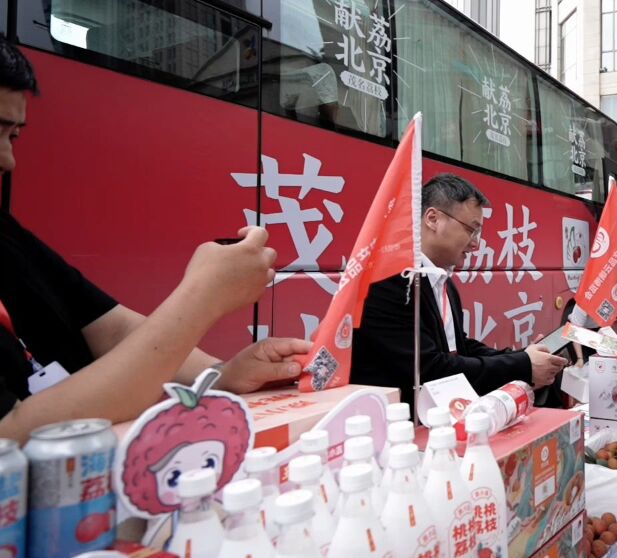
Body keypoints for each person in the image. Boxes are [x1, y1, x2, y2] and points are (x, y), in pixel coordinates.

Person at [0, 42, 310, 442]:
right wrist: (202, 298)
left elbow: (110, 329)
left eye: (13, 135)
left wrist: (222, 374)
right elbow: (13, 432)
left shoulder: (8, 235)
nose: (8, 160)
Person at [351, 174, 568, 404]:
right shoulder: (393, 282)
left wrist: (523, 355)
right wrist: (522, 365)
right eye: (470, 229)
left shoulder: (443, 282)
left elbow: (461, 348)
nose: (476, 243)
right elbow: (430, 369)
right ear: (433, 219)